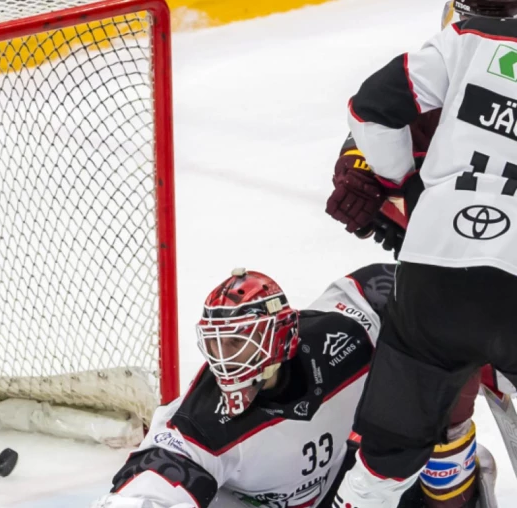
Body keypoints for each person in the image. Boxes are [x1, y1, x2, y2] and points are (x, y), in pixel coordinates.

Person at [325, 1, 517, 506]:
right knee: (451, 413)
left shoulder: (464, 43)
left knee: (387, 456)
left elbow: (371, 109)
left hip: (437, 274)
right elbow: (362, 140)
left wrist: (406, 190)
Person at [92, 264, 474, 508]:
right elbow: (152, 482)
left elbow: (387, 287)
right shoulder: (200, 422)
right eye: (217, 343)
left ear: (279, 337)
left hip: (348, 478)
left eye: (238, 341)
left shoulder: (343, 335)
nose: (225, 358)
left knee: (439, 379)